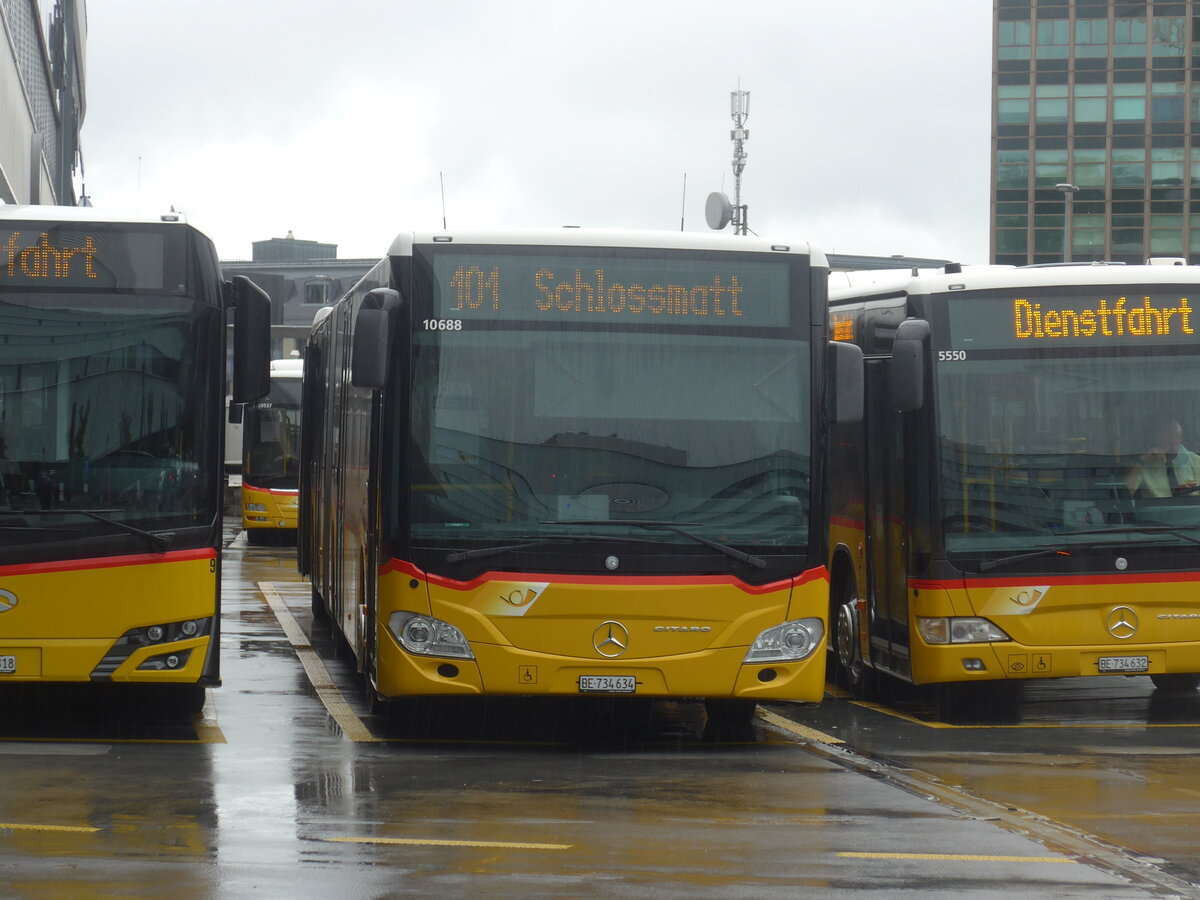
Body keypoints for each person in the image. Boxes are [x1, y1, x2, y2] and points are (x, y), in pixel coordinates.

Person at [1125, 418, 1200, 498]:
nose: (1173, 448)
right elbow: (1126, 493)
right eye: (1168, 443)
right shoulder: (1143, 465)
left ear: (1181, 439)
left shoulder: (1195, 460)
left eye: (1177, 443)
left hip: (1190, 509)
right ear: (1157, 440)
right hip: (1158, 509)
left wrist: (1193, 498)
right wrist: (1143, 459)